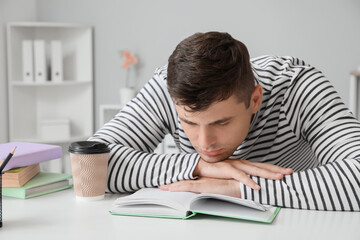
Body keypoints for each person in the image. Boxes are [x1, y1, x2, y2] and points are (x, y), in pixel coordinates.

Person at [89, 32, 360, 211]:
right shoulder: (166, 87)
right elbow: (90, 162)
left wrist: (236, 187)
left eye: (221, 122)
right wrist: (198, 167)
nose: (204, 143)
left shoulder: (298, 87)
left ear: (255, 99)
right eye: (190, 123)